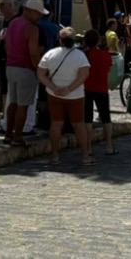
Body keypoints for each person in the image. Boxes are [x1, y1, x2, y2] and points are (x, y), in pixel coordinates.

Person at [37, 27, 90, 164]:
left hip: (54, 94)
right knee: (79, 125)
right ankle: (85, 156)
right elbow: (84, 75)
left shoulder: (50, 54)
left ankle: (55, 156)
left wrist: (53, 87)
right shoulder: (80, 56)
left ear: (60, 40)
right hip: (75, 95)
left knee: (56, 124)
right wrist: (69, 89)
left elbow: (41, 74)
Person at [4, 0, 46, 147]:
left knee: (13, 103)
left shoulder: (13, 23)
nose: (40, 17)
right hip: (25, 69)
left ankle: (8, 133)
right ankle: (18, 136)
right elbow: (33, 52)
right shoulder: (32, 28)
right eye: (39, 14)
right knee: (23, 105)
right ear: (30, 11)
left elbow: (7, 46)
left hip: (11, 66)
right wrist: (38, 70)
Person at [83, 29, 115, 156]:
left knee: (88, 118)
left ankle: (89, 147)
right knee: (106, 118)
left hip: (86, 88)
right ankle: (109, 146)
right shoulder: (105, 55)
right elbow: (108, 71)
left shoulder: (84, 55)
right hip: (101, 88)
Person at [0, 0, 18, 115]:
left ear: (10, 6)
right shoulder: (2, 21)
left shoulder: (16, 21)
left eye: (3, 6)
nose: (1, 9)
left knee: (12, 90)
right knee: (3, 89)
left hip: (11, 60)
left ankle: (10, 116)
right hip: (2, 59)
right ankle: (5, 115)